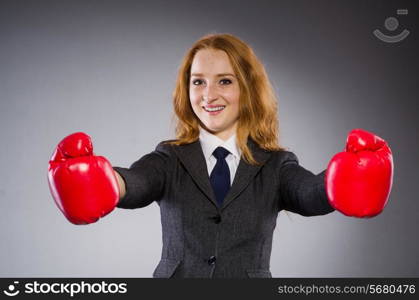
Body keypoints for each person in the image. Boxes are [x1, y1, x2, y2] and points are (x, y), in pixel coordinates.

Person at [48, 33, 394, 278]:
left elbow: (310, 193)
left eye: (224, 81)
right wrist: (104, 180)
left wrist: (347, 181)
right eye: (198, 81)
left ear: (248, 89)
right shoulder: (169, 158)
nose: (208, 94)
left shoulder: (275, 164)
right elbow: (137, 182)